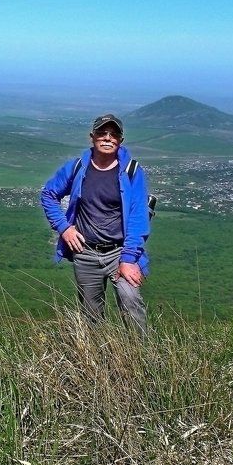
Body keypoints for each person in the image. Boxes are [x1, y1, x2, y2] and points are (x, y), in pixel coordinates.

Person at [40, 113, 150, 334]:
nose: (107, 138)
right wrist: (64, 228)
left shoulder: (131, 172)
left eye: (114, 134)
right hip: (85, 252)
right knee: (91, 314)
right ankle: (98, 362)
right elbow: (48, 194)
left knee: (130, 300)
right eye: (102, 133)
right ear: (92, 137)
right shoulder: (78, 167)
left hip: (120, 251)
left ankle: (141, 358)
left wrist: (129, 259)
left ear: (121, 139)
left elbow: (139, 215)